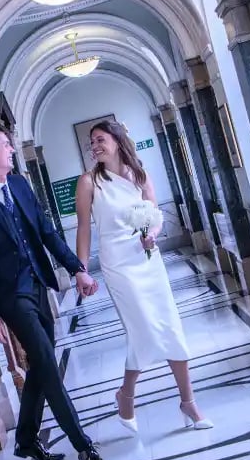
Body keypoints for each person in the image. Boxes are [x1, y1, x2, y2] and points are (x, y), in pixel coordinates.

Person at [0, 125, 107, 460]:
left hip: (38, 285)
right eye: (6, 145)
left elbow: (46, 232)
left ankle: (26, 438)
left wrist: (77, 269)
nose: (12, 149)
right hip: (11, 298)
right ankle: (83, 446)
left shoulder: (21, 186)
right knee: (47, 364)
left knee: (41, 363)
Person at [75, 119, 213, 434]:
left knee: (169, 325)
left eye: (100, 139)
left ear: (117, 139)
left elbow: (155, 215)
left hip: (148, 261)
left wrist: (152, 234)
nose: (94, 146)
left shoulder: (140, 174)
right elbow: (84, 228)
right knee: (143, 332)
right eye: (91, 142)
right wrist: (80, 270)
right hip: (119, 267)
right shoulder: (88, 183)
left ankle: (187, 401)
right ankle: (126, 395)